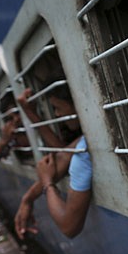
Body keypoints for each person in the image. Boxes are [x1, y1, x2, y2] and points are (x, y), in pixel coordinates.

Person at [14, 86, 90, 239]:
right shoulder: (84, 141)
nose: (57, 115)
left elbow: (69, 227)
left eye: (57, 108)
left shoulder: (84, 149)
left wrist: (48, 183)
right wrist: (27, 199)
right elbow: (64, 155)